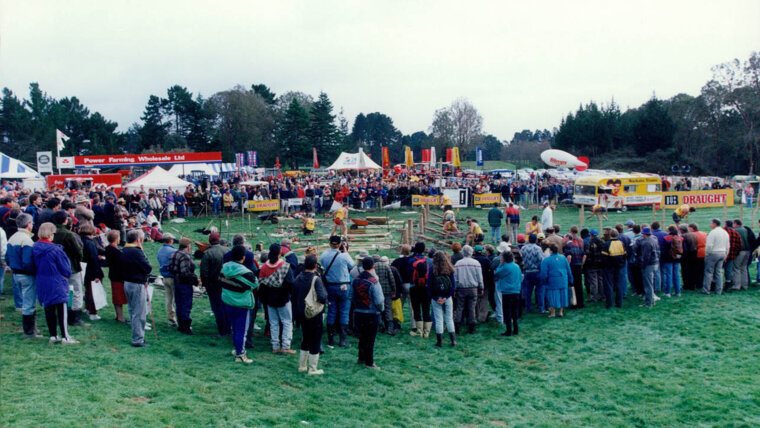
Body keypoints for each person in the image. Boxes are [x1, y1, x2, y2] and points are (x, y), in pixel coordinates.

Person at [33, 222, 78, 344]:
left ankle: (53, 336)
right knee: (61, 308)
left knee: (49, 308)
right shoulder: (56, 250)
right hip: (56, 280)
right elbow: (66, 269)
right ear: (50, 234)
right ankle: (65, 337)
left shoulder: (34, 247)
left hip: (42, 281)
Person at [221, 245, 259, 363]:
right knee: (242, 331)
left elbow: (220, 280)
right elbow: (255, 284)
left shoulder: (224, 267)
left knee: (234, 328)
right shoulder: (246, 272)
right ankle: (240, 355)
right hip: (242, 304)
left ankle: (237, 348)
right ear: (243, 257)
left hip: (228, 301)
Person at [6, 213, 41, 338]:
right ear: (28, 224)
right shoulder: (27, 240)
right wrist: (33, 272)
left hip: (16, 273)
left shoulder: (12, 237)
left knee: (27, 301)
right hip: (26, 274)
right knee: (29, 303)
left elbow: (7, 258)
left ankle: (32, 329)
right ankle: (29, 331)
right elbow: (27, 261)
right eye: (31, 223)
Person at [292, 254, 328, 375]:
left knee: (306, 338)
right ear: (316, 266)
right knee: (315, 340)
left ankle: (302, 366)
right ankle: (313, 368)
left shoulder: (298, 278)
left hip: (301, 312)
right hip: (314, 313)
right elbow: (322, 297)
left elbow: (294, 295)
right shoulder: (316, 279)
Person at [52, 211, 88, 327]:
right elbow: (78, 251)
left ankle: (62, 314)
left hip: (56, 266)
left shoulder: (52, 233)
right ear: (65, 221)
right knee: (76, 290)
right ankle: (75, 317)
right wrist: (78, 259)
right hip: (71, 265)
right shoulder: (69, 235)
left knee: (60, 290)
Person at [258, 243, 296, 354]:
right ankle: (286, 346)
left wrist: (265, 299)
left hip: (270, 299)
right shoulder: (285, 266)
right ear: (280, 253)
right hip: (283, 298)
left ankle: (275, 346)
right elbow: (290, 284)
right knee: (287, 322)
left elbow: (261, 285)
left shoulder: (264, 267)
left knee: (273, 323)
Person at [120, 229, 153, 348]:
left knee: (133, 311)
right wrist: (142, 251)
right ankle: (138, 339)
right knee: (139, 312)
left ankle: (137, 335)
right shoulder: (137, 252)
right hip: (136, 283)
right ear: (139, 240)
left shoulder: (124, 249)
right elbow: (148, 268)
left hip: (127, 282)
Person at [320, 236, 355, 347]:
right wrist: (346, 252)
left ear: (330, 244)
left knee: (331, 311)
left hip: (330, 286)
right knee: (344, 311)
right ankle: (343, 339)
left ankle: (331, 338)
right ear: (340, 244)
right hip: (344, 284)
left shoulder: (324, 255)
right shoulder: (344, 256)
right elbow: (352, 265)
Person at [352, 257, 384, 370]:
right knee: (370, 339)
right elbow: (379, 300)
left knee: (362, 337)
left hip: (358, 312)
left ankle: (361, 358)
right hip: (371, 313)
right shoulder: (374, 281)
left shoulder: (355, 279)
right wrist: (381, 310)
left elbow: (350, 295)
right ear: (373, 266)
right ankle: (369, 363)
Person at [200, 232, 230, 336]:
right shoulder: (227, 250)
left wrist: (205, 284)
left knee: (217, 307)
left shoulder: (208, 253)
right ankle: (229, 327)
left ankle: (223, 330)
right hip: (227, 283)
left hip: (213, 284)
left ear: (209, 240)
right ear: (219, 239)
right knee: (227, 305)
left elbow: (204, 272)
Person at [168, 238, 199, 335]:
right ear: (188, 246)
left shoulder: (174, 254)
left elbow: (170, 268)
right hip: (185, 284)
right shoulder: (185, 256)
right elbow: (185, 272)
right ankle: (185, 328)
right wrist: (195, 280)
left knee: (179, 304)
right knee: (186, 305)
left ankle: (180, 325)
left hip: (176, 282)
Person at [428, 251, 456, 347]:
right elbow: (453, 285)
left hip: (436, 297)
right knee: (449, 319)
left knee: (439, 319)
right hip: (447, 297)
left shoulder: (432, 270)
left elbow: (429, 286)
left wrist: (435, 298)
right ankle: (453, 340)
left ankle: (439, 342)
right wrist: (447, 297)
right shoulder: (449, 269)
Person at [453, 245, 483, 334]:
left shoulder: (458, 263)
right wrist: (481, 287)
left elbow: (455, 278)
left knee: (459, 307)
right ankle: (471, 327)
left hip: (461, 288)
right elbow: (479, 277)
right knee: (472, 308)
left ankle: (457, 326)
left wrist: (455, 289)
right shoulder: (476, 263)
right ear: (471, 252)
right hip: (473, 288)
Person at [408, 242, 433, 337]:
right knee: (426, 309)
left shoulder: (411, 260)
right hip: (426, 287)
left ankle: (419, 331)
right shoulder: (429, 261)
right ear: (424, 249)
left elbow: (408, 273)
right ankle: (427, 332)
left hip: (414, 287)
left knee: (416, 308)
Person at [494, 251, 522, 336]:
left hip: (507, 292)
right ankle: (516, 329)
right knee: (515, 311)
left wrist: (500, 264)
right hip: (516, 290)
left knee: (507, 311)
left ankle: (508, 330)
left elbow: (496, 273)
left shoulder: (505, 267)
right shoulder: (516, 266)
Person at [79, 225, 104, 321]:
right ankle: (93, 313)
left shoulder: (82, 241)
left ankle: (87, 308)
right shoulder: (90, 243)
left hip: (85, 269)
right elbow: (93, 259)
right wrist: (96, 274)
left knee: (88, 290)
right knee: (94, 292)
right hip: (92, 270)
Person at [539, 242, 571, 318]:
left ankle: (553, 313)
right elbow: (568, 269)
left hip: (552, 281)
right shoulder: (563, 258)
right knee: (562, 295)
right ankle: (560, 312)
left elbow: (543, 273)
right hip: (563, 279)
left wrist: (543, 281)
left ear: (550, 251)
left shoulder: (546, 260)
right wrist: (570, 278)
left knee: (552, 296)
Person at [104, 230, 127, 323]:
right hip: (118, 276)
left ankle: (119, 316)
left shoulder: (109, 248)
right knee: (118, 297)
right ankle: (120, 317)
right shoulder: (115, 251)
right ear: (116, 239)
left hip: (114, 274)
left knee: (117, 296)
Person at [702, 218, 729, 295]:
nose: (710, 225)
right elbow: (728, 245)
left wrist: (707, 253)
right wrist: (726, 254)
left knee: (708, 272)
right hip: (722, 253)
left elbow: (709, 245)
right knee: (718, 272)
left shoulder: (713, 232)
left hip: (713, 253)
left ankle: (706, 289)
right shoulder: (725, 232)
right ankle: (719, 290)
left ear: (714, 224)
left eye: (711, 223)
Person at [601, 229, 627, 308]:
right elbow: (625, 255)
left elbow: (604, 257)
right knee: (619, 285)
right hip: (619, 267)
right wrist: (622, 264)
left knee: (609, 285)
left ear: (610, 235)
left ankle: (609, 303)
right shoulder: (621, 243)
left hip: (609, 268)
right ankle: (619, 303)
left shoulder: (607, 243)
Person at [633, 227, 659, 307]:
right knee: (650, 283)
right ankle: (651, 300)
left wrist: (643, 266)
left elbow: (646, 256)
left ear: (644, 234)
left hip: (649, 265)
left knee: (648, 284)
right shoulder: (653, 239)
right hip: (655, 263)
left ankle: (648, 303)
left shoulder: (646, 243)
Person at [157, 234, 178, 327]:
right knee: (177, 299)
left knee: (168, 299)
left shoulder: (160, 250)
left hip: (164, 278)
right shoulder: (173, 251)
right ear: (170, 240)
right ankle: (180, 319)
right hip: (173, 277)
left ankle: (171, 319)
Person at [373, 255, 397, 335]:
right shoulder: (386, 266)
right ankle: (390, 328)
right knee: (388, 308)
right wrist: (394, 290)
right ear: (379, 259)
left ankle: (379, 327)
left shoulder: (372, 267)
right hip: (387, 290)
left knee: (378, 308)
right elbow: (391, 279)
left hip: (377, 291)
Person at [520, 233, 544, 313]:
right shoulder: (538, 248)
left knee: (528, 291)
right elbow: (541, 260)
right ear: (536, 240)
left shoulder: (523, 248)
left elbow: (522, 258)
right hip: (537, 271)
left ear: (528, 239)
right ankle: (541, 308)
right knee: (540, 290)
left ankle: (528, 307)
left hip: (527, 271)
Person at [729, 218, 751, 291]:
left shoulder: (736, 231)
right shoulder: (745, 230)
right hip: (747, 251)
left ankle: (736, 285)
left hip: (740, 251)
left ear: (736, 224)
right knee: (744, 268)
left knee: (736, 268)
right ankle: (744, 285)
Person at [564, 236, 585, 309]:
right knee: (579, 285)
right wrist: (582, 264)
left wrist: (567, 267)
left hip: (572, 266)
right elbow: (584, 255)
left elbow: (569, 257)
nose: (563, 239)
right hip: (578, 265)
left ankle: (574, 303)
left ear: (567, 238)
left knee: (572, 285)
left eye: (564, 238)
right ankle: (581, 303)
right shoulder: (576, 245)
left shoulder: (567, 246)